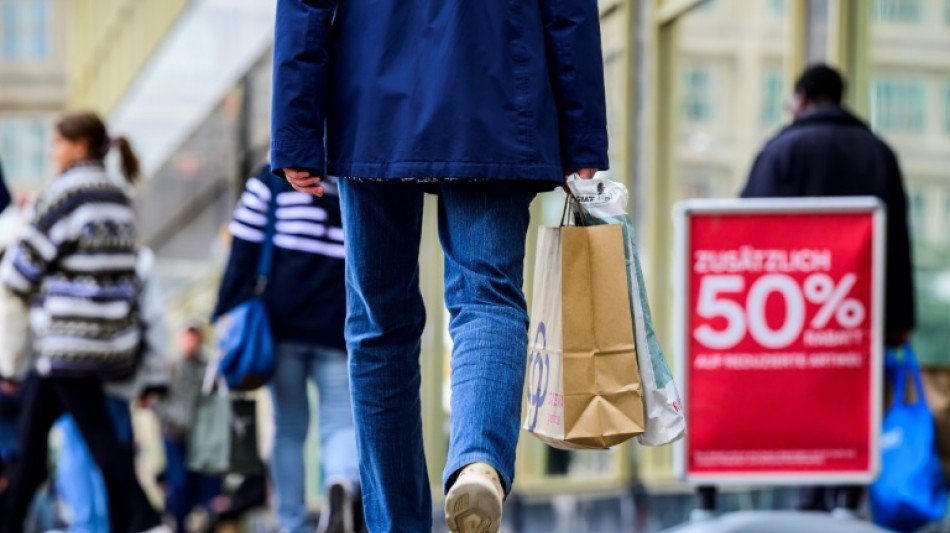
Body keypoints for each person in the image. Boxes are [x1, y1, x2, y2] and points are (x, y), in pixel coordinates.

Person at [271, 0, 609, 530]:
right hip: (498, 86)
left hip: (372, 90)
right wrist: (581, 129)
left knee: (379, 326)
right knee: (488, 295)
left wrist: (296, 127)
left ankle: (395, 522)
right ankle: (478, 461)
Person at [742, 64, 915, 511]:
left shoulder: (782, 150)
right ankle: (844, 498)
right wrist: (899, 321)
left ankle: (809, 501)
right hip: (860, 316)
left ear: (801, 98)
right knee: (853, 408)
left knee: (802, 407)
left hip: (794, 318)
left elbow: (745, 236)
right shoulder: (880, 153)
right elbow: (897, 242)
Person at [0, 112, 165, 533]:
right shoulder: (119, 196)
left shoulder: (64, 194)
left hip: (67, 342)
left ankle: (146, 519)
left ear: (78, 146)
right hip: (108, 340)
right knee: (35, 453)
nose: (50, 153)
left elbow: (19, 272)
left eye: (55, 144)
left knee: (101, 442)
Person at [213, 164, 361, 533]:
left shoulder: (272, 179)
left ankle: (293, 523)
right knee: (341, 422)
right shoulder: (352, 176)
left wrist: (225, 310)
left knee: (289, 426)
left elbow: (243, 250)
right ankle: (340, 482)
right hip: (338, 324)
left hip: (280, 325)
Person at [55, 246, 170, 533]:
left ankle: (89, 526)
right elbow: (152, 317)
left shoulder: (63, 250)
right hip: (115, 370)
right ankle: (107, 525)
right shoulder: (135, 256)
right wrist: (154, 375)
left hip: (72, 367)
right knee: (110, 451)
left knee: (79, 448)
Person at [152, 324, 222, 533]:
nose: (191, 341)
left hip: (203, 439)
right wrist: (173, 419)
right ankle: (177, 525)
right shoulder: (171, 367)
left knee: (205, 486)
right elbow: (156, 401)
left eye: (195, 336)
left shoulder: (209, 368)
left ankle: (203, 525)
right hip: (175, 435)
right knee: (179, 483)